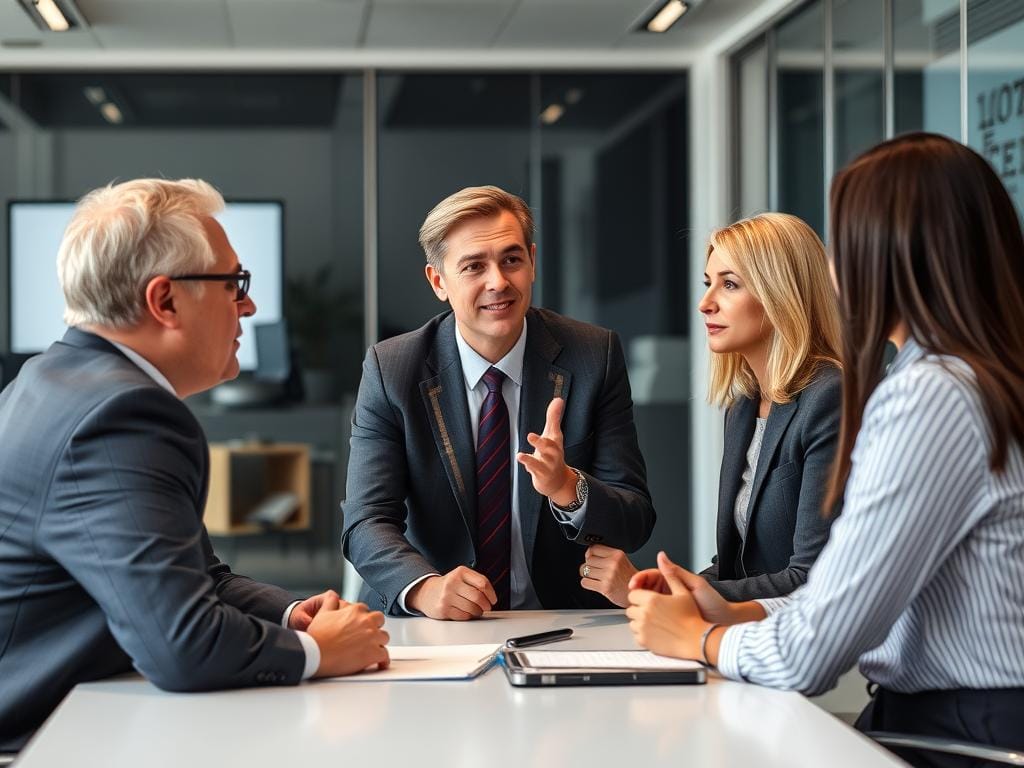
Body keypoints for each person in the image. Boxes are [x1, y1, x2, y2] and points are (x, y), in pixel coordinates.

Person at [627, 133, 1024, 765]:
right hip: (947, 717)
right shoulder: (963, 379)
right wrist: (725, 605)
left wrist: (699, 638)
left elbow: (811, 653)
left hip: (964, 733)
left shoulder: (930, 396)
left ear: (887, 255)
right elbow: (849, 589)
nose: (834, 268)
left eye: (843, 242)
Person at [0, 179, 390, 753]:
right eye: (234, 283)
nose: (249, 305)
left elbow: (195, 577)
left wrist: (291, 614)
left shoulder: (51, 378)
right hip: (37, 737)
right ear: (164, 301)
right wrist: (319, 653)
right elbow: (180, 645)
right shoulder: (124, 416)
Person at [342, 185, 655, 619]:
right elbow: (365, 521)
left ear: (531, 262)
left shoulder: (592, 356)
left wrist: (568, 488)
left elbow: (635, 518)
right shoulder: (393, 369)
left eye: (511, 260)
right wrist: (424, 588)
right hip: (434, 623)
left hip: (561, 619)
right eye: (473, 266)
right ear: (439, 281)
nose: (498, 282)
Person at [581, 213, 842, 608]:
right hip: (741, 642)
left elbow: (810, 578)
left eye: (730, 285)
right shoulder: (743, 406)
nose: (705, 303)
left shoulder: (829, 397)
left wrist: (669, 594)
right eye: (708, 284)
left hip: (793, 650)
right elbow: (734, 568)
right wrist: (657, 588)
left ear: (781, 293)